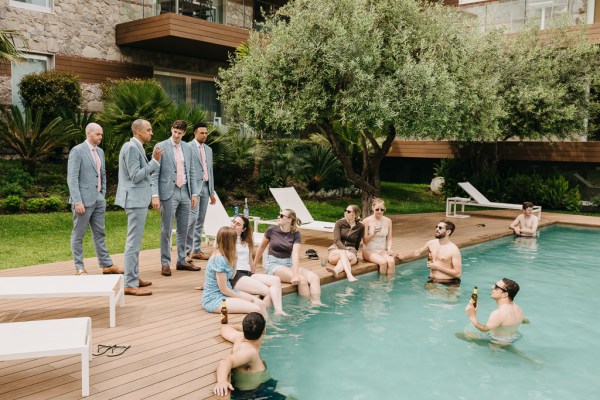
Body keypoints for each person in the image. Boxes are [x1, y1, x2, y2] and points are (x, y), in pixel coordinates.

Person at [115, 119, 163, 296]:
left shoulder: (137, 147)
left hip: (138, 200)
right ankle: (128, 283)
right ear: (138, 131)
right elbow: (135, 176)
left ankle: (133, 277)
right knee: (133, 243)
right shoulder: (131, 148)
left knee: (135, 242)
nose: (152, 133)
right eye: (148, 130)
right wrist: (154, 162)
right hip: (134, 200)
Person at [67, 122, 121, 276]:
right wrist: (77, 201)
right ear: (88, 133)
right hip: (82, 201)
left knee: (100, 233)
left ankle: (106, 265)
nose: (101, 137)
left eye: (101, 134)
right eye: (98, 134)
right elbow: (72, 178)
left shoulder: (100, 152)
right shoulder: (77, 151)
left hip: (98, 199)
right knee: (79, 234)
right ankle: (79, 267)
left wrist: (102, 194)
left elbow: (102, 174)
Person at [151, 120, 200, 277]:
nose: (176, 135)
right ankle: (165, 263)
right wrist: (155, 195)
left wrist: (193, 194)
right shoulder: (160, 146)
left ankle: (182, 260)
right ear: (171, 130)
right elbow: (154, 173)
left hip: (185, 191)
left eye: (179, 133)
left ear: (184, 133)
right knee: (166, 230)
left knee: (184, 229)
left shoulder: (188, 148)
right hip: (168, 192)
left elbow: (192, 171)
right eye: (174, 131)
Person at [254, 209, 324, 306]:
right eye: (279, 214)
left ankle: (316, 303)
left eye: (282, 215)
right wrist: (253, 265)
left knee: (315, 278)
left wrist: (295, 273)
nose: (278, 217)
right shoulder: (271, 230)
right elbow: (261, 247)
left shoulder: (295, 234)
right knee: (302, 280)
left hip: (288, 264)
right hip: (273, 265)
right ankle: (306, 308)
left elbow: (295, 253)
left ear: (289, 220)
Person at [213, 312, 289, 399]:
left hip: (259, 387)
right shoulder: (249, 352)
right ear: (264, 330)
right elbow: (225, 362)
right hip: (256, 393)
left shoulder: (239, 337)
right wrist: (222, 381)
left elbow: (225, 328)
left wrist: (248, 327)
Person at [203, 227, 267, 318]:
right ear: (229, 241)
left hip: (228, 292)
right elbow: (223, 289)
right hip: (215, 298)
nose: (236, 242)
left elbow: (232, 277)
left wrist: (235, 260)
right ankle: (261, 330)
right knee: (255, 309)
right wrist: (245, 299)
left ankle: (267, 328)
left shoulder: (226, 254)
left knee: (261, 304)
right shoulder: (219, 259)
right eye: (235, 239)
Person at [231, 215, 288, 316]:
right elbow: (215, 259)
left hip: (247, 274)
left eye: (238, 224)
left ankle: (278, 311)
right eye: (233, 222)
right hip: (236, 275)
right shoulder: (226, 239)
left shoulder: (245, 242)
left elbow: (250, 262)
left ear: (244, 229)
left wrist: (254, 275)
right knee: (268, 292)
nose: (234, 225)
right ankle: (262, 318)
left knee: (276, 280)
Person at [186, 122, 216, 262]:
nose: (204, 135)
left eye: (206, 133)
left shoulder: (209, 150)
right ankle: (186, 252)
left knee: (200, 220)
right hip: (193, 189)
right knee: (192, 220)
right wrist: (190, 191)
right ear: (195, 133)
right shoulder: (187, 147)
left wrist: (211, 192)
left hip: (205, 187)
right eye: (201, 133)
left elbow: (210, 171)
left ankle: (197, 250)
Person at [465, 278, 526, 345]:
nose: (492, 287)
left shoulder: (498, 313)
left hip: (496, 341)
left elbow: (484, 329)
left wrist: (472, 316)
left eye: (496, 287)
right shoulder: (518, 308)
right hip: (513, 338)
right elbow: (523, 320)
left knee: (462, 335)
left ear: (505, 294)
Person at [413, 219, 462, 285]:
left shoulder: (453, 250)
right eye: (437, 227)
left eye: (440, 228)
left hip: (451, 282)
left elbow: (457, 274)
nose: (437, 229)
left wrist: (437, 267)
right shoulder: (431, 243)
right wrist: (402, 256)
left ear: (448, 232)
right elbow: (417, 253)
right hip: (432, 280)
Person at [324, 204, 365, 282]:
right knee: (343, 253)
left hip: (351, 250)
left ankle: (336, 270)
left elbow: (358, 242)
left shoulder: (360, 227)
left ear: (355, 214)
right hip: (336, 249)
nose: (346, 212)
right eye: (345, 210)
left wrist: (354, 253)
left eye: (349, 211)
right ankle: (349, 275)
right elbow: (337, 240)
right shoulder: (339, 223)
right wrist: (345, 251)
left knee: (344, 260)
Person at [362, 198, 395, 274]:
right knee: (383, 263)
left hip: (382, 250)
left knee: (391, 262)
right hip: (369, 250)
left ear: (384, 209)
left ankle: (389, 285)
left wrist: (389, 249)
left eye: (382, 209)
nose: (379, 211)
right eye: (377, 209)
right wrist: (373, 233)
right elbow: (365, 241)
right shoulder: (366, 221)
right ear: (372, 208)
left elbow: (389, 238)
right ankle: (381, 284)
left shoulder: (388, 221)